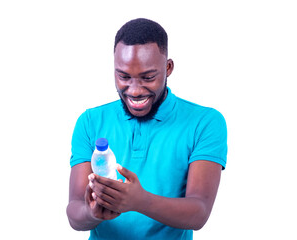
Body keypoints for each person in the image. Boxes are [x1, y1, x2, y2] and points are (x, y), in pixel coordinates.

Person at [67, 18, 227, 240]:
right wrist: (92, 212)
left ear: (168, 68)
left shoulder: (205, 122)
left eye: (148, 77)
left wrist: (139, 201)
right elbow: (74, 214)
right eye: (123, 76)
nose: (134, 90)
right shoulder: (90, 121)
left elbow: (199, 212)